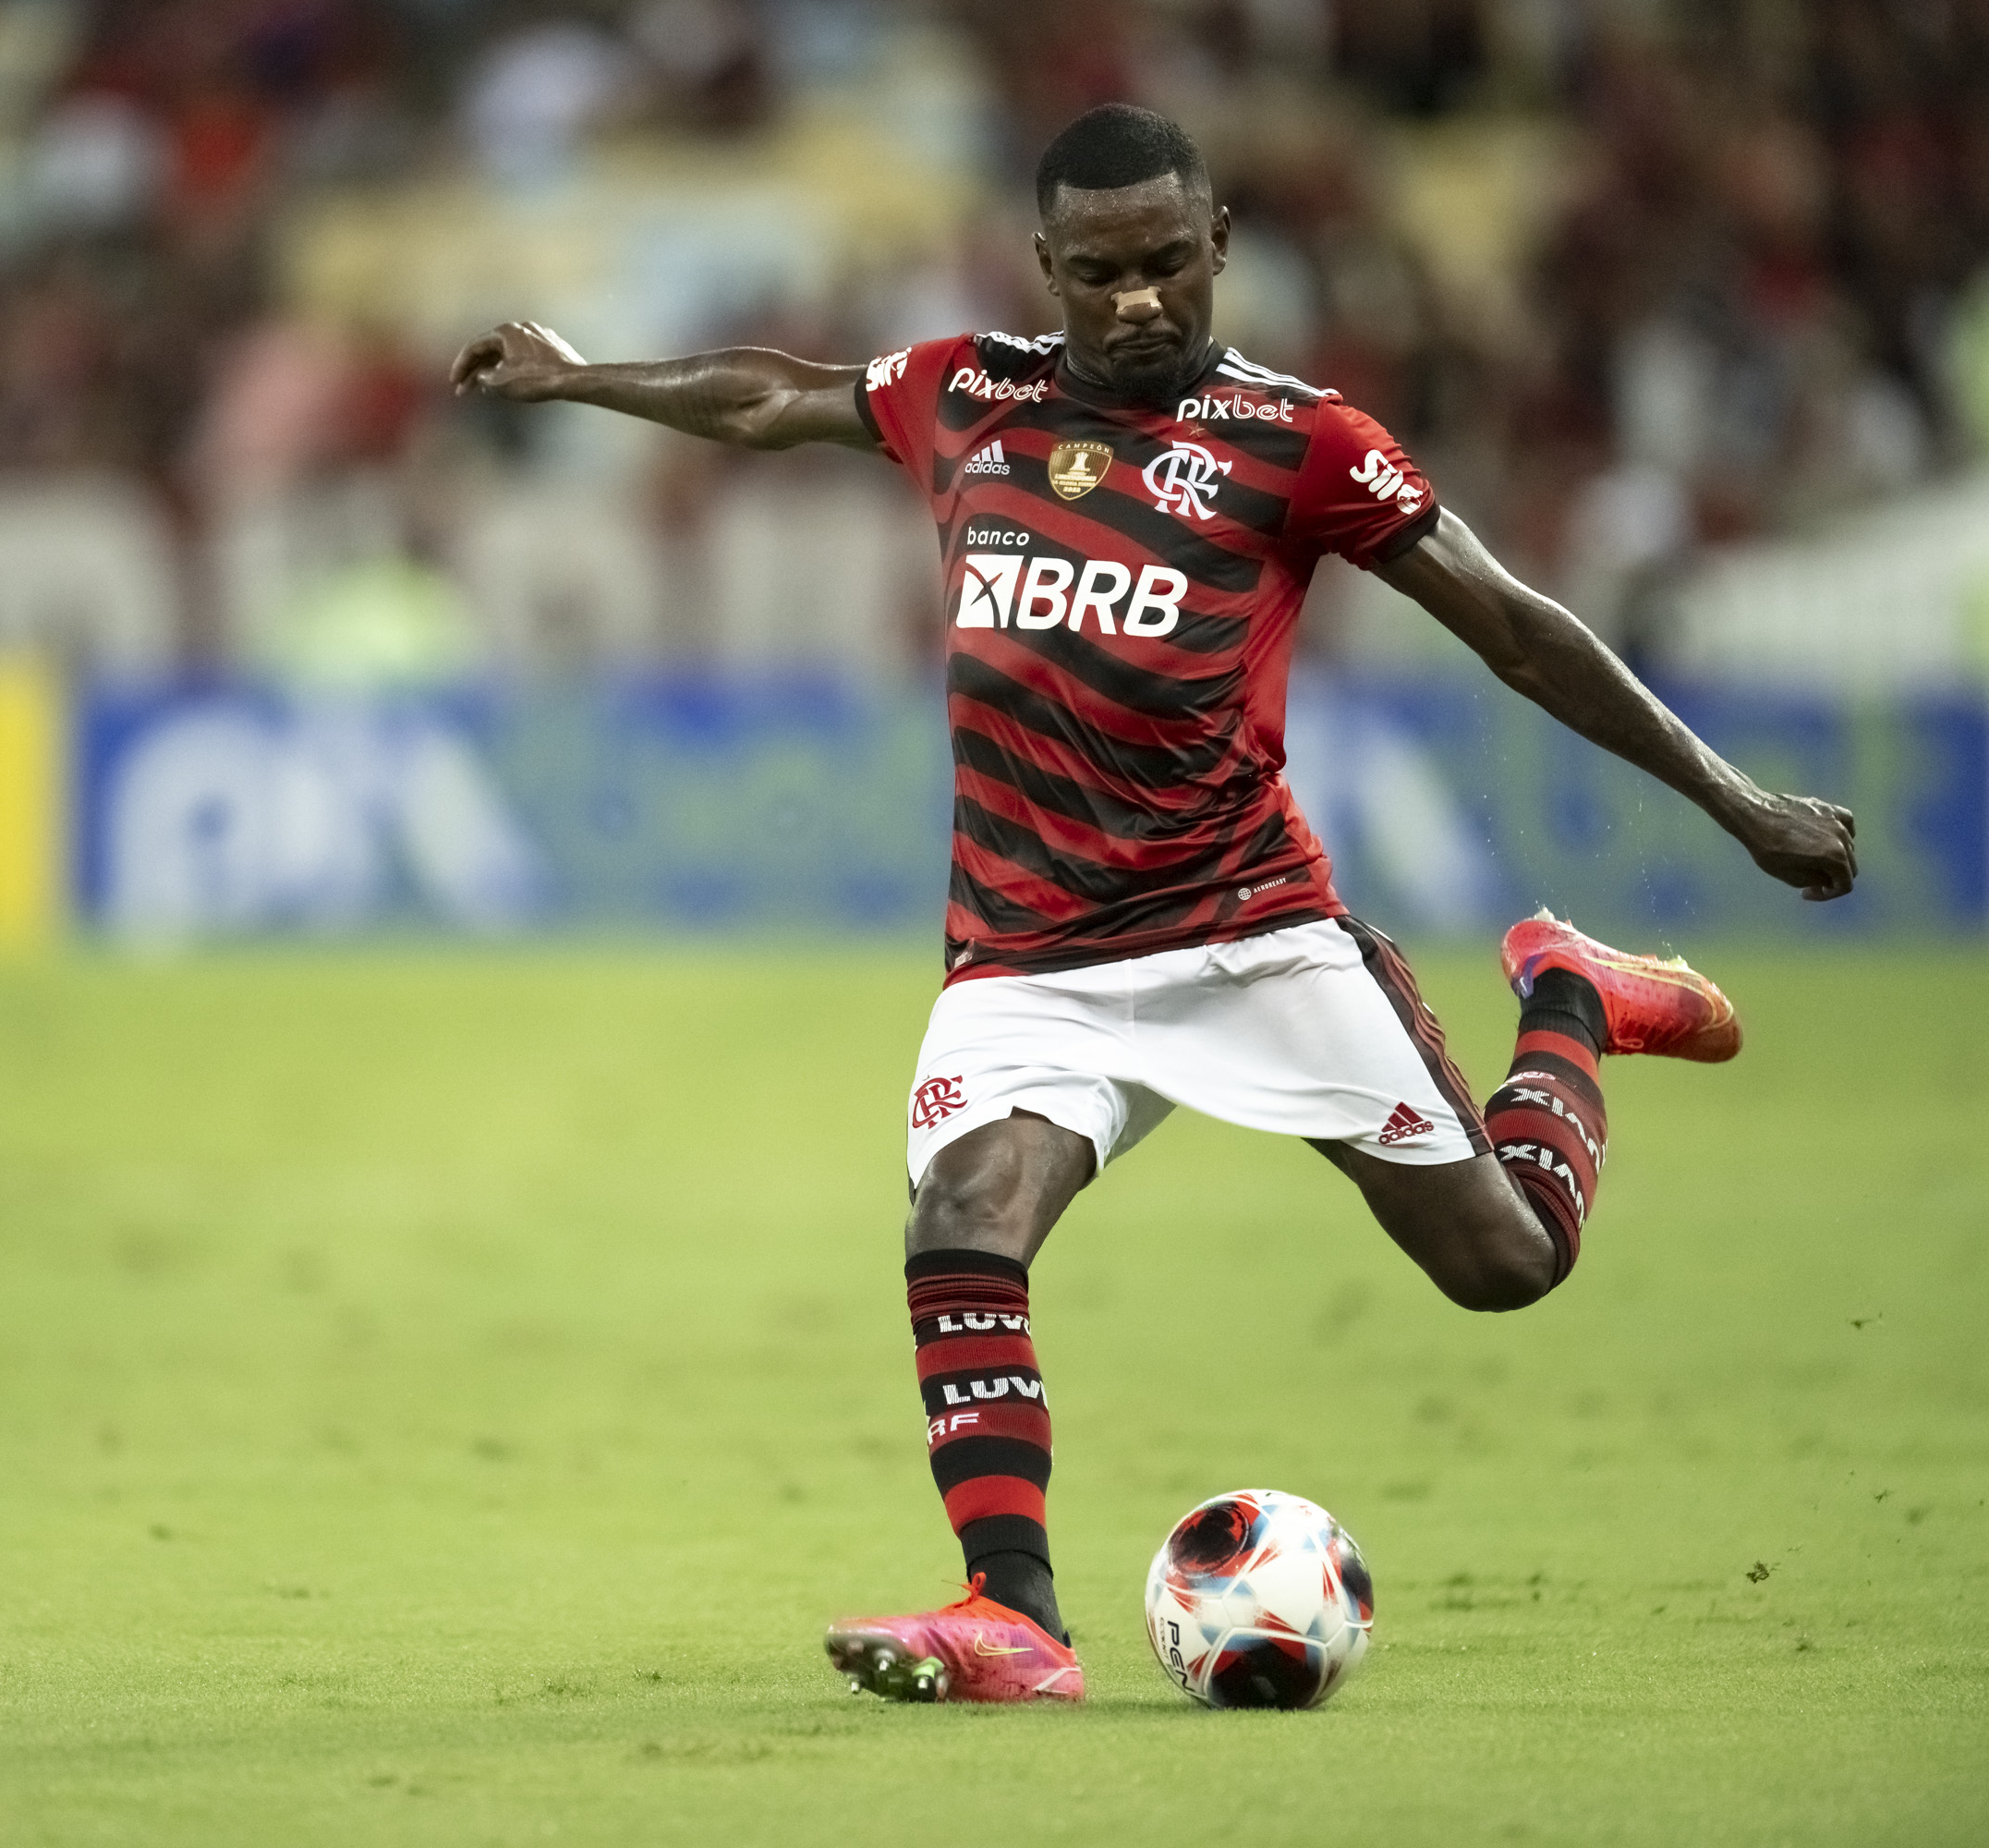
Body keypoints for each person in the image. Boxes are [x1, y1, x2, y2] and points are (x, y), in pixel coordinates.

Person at [449, 103, 1857, 1704]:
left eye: (1170, 264)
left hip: (1251, 940)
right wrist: (580, 375)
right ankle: (1014, 1618)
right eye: (1102, 270)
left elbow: (1522, 630)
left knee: (1508, 1264)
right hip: (1028, 962)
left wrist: (1738, 803)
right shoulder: (965, 393)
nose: (1138, 301)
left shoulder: (1304, 443)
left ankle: (1574, 1000)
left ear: (1220, 249)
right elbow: (778, 395)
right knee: (961, 1223)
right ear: (1046, 263)